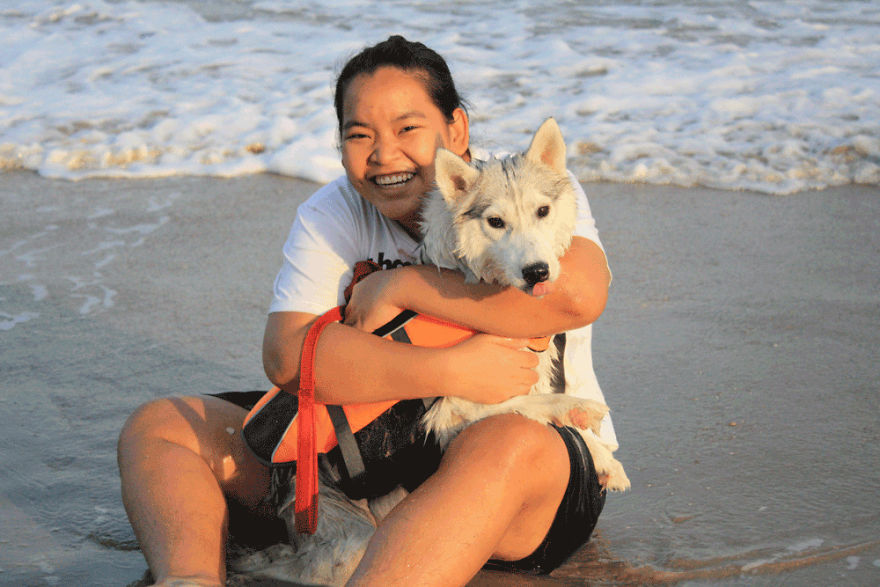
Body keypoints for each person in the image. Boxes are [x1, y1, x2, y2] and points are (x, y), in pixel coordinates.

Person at [117, 35, 616, 587]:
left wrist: (404, 287)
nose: (383, 154)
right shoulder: (333, 211)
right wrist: (452, 370)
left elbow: (577, 298)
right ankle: (189, 579)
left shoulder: (527, 190)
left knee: (504, 442)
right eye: (359, 135)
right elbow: (288, 358)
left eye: (407, 129)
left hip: (522, 478)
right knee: (163, 426)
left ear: (456, 131)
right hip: (366, 467)